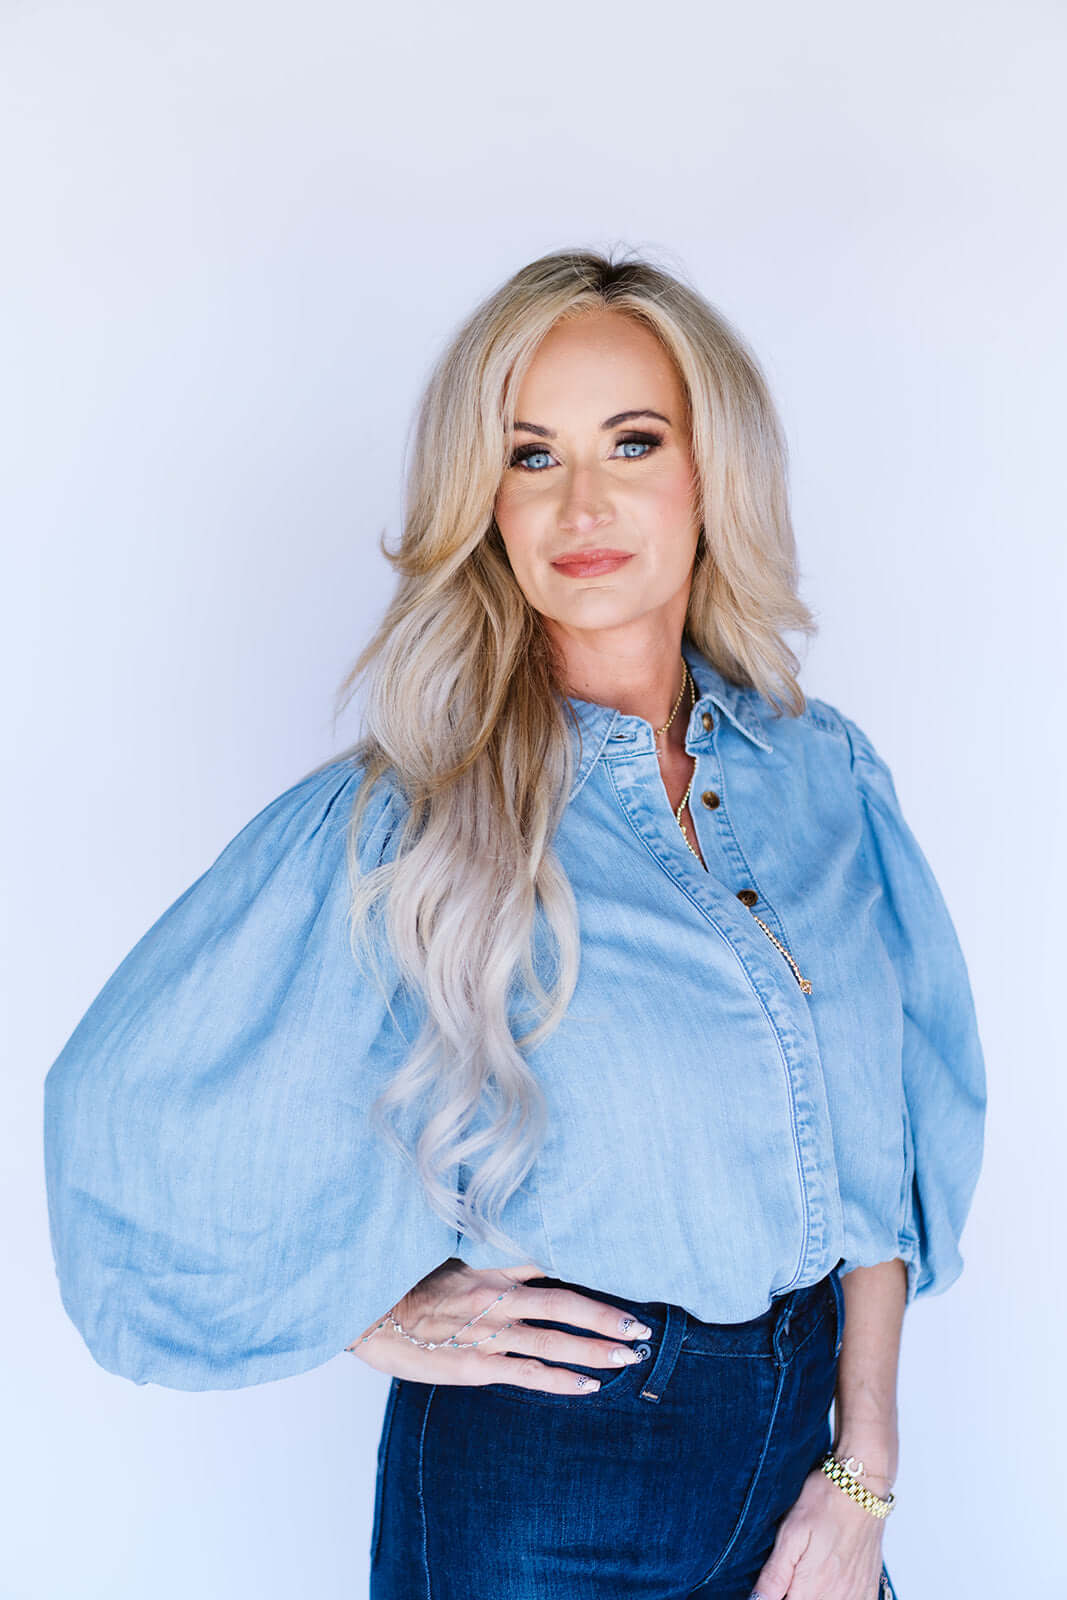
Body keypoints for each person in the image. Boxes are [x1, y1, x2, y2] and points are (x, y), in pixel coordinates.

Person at [43, 249, 986, 1600]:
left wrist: (864, 1471)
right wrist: (368, 1317)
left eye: (632, 442)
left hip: (806, 1471)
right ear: (484, 504)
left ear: (710, 473)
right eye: (531, 456)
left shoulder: (819, 775)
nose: (581, 502)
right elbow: (122, 1107)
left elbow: (875, 1163)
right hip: (544, 1487)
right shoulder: (415, 815)